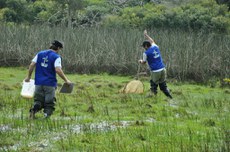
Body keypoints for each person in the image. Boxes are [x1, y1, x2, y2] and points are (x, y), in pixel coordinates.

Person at [25, 40, 72, 119]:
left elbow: (32, 64)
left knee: (38, 101)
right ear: (58, 48)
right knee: (49, 102)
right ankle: (46, 117)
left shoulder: (40, 54)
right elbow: (58, 70)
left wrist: (28, 77)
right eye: (60, 49)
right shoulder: (56, 57)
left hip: (38, 83)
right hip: (50, 83)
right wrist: (66, 80)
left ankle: (33, 112)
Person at [139, 30, 172, 99]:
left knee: (153, 86)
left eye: (143, 47)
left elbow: (144, 63)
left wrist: (140, 61)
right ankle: (170, 98)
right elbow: (152, 40)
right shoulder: (155, 47)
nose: (143, 48)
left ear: (146, 46)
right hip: (163, 69)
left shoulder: (146, 53)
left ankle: (153, 99)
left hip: (155, 71)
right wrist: (146, 35)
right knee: (163, 86)